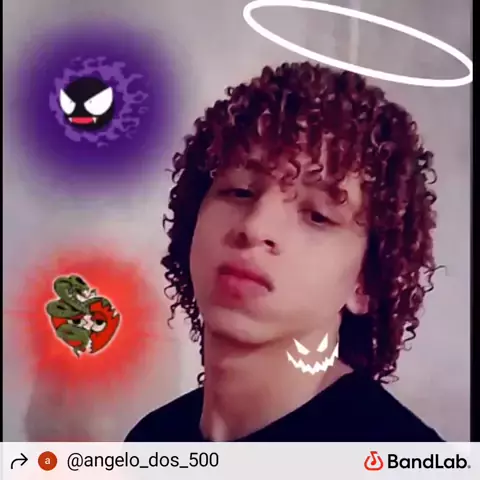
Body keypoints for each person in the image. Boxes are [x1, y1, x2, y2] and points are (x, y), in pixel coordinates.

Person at [126, 62, 442, 442]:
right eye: (240, 191)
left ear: (366, 283)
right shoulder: (152, 438)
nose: (255, 227)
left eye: (318, 216)